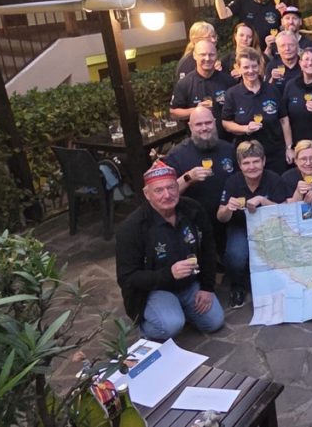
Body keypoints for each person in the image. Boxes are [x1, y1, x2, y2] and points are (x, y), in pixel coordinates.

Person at [116, 160, 224, 341]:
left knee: (214, 322)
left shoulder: (193, 209)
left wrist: (207, 287)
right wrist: (169, 274)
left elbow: (208, 248)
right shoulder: (132, 228)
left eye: (171, 187)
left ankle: (178, 308)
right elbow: (127, 278)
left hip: (190, 284)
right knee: (171, 326)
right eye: (159, 190)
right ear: (147, 194)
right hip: (156, 289)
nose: (167, 195)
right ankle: (153, 322)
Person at [216, 140, 284, 308]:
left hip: (269, 227)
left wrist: (263, 200)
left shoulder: (274, 179)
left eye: (256, 161)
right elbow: (221, 217)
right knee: (235, 255)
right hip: (241, 226)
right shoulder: (232, 182)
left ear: (264, 161)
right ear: (239, 165)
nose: (251, 167)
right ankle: (237, 286)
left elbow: (284, 211)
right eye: (246, 163)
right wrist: (228, 208)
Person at [165, 106, 237, 256]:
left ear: (215, 122)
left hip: (228, 220)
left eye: (208, 123)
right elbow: (167, 194)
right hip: (194, 224)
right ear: (190, 126)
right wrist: (188, 178)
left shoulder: (229, 149)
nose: (204, 128)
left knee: (234, 258)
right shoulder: (177, 155)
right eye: (198, 124)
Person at [221, 46, 289, 174]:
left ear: (260, 66)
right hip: (247, 158)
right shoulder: (232, 94)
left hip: (274, 154)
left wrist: (289, 147)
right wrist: (245, 129)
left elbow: (284, 120)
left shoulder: (272, 90)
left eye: (254, 66)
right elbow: (226, 123)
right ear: (238, 68)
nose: (251, 71)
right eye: (246, 67)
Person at [170, 39, 236, 138]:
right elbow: (173, 113)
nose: (207, 58)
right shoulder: (184, 84)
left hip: (227, 141)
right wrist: (196, 110)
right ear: (194, 55)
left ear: (216, 56)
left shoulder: (228, 81)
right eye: (202, 54)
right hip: (198, 143)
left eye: (211, 54)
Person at [213, 0, 282, 41]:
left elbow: (283, 28)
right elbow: (223, 14)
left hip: (270, 47)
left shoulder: (277, 5)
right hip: (246, 47)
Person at [265, 30, 302, 97]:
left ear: (297, 46)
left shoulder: (305, 64)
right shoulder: (271, 66)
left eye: (291, 45)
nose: (287, 48)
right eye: (282, 46)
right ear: (278, 49)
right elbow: (265, 93)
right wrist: (272, 79)